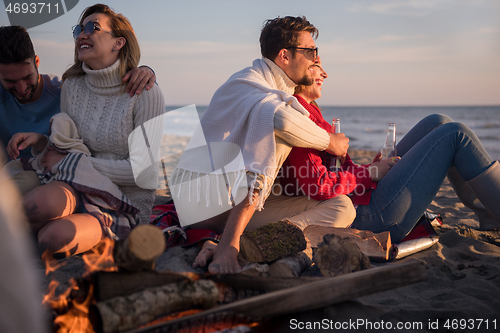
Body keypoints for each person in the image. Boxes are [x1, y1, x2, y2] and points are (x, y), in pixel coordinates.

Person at [171, 16, 355, 274]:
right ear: (284, 56)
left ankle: (247, 244)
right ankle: (229, 248)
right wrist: (330, 143)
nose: (315, 58)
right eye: (310, 51)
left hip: (229, 205)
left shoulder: (274, 91)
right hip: (201, 203)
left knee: (342, 206)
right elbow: (283, 121)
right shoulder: (247, 82)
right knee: (271, 127)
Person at [6, 4, 165, 256]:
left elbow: (142, 173)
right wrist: (41, 142)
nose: (82, 34)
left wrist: (74, 163)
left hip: (120, 201)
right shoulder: (72, 86)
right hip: (75, 184)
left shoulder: (145, 93)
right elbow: (68, 145)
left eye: (93, 27)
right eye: (79, 29)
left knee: (52, 239)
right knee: (33, 207)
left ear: (118, 42)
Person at [279, 61, 500, 243]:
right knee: (455, 134)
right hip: (367, 216)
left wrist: (370, 167)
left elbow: (337, 171)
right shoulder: (300, 119)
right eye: (315, 66)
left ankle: (490, 214)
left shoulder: (312, 113)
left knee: (438, 121)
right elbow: (318, 185)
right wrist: (370, 173)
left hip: (362, 198)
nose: (324, 73)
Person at [0, 25, 156, 162]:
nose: (21, 88)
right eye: (10, 81)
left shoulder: (67, 92)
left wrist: (146, 72)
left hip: (58, 178)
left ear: (37, 62)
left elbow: (111, 94)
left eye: (27, 77)